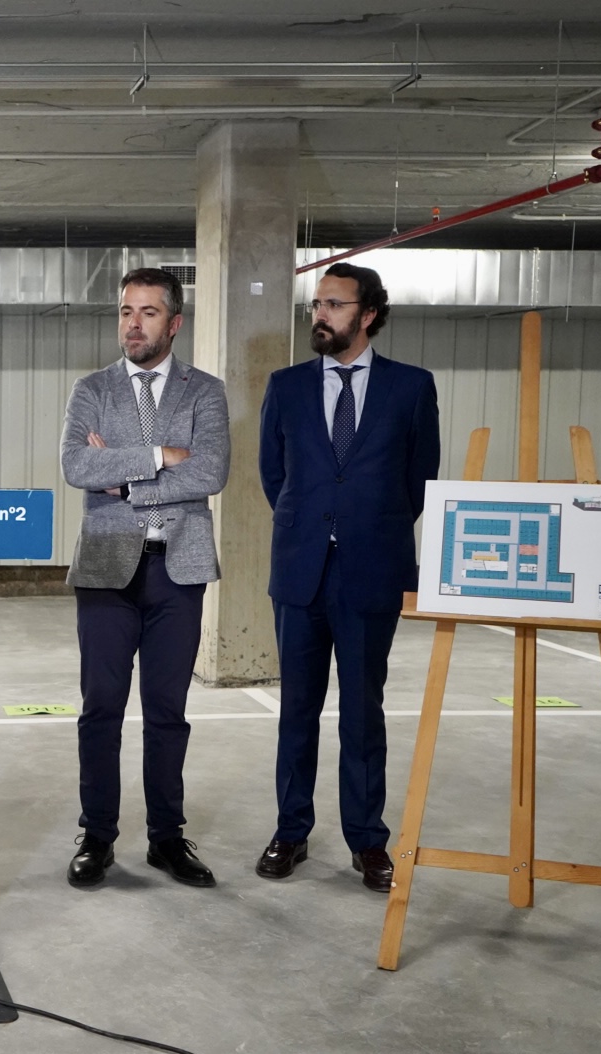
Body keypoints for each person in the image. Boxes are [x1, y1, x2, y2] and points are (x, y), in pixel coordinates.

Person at [256, 261, 440, 892]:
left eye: (334, 305)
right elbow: (273, 475)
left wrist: (365, 526)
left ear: (368, 314)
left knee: (363, 714)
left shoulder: (411, 388)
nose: (320, 315)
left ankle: (368, 841)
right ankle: (290, 831)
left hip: (371, 572)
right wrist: (314, 525)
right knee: (297, 711)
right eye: (317, 304)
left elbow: (420, 480)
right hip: (300, 571)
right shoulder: (285, 386)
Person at [59, 268, 231, 889]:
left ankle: (166, 838)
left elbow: (211, 472)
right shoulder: (92, 389)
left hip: (178, 570)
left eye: (148, 313)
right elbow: (77, 466)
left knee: (166, 710)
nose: (133, 324)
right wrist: (160, 457)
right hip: (107, 569)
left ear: (174, 322)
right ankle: (97, 836)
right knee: (101, 707)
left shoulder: (205, 392)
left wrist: (125, 478)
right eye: (126, 311)